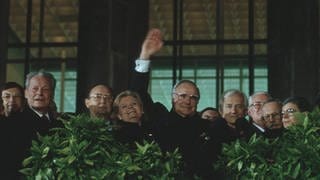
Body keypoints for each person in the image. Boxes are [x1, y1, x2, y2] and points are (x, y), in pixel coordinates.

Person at [130, 28, 212, 178]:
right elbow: (137, 94)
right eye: (183, 96)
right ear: (173, 97)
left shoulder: (207, 127)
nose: (188, 101)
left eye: (193, 97)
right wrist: (145, 56)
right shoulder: (159, 118)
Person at [4, 70, 60, 178]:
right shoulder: (9, 124)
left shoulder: (61, 124)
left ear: (52, 94)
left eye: (45, 89)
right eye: (35, 89)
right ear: (25, 93)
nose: (39, 93)